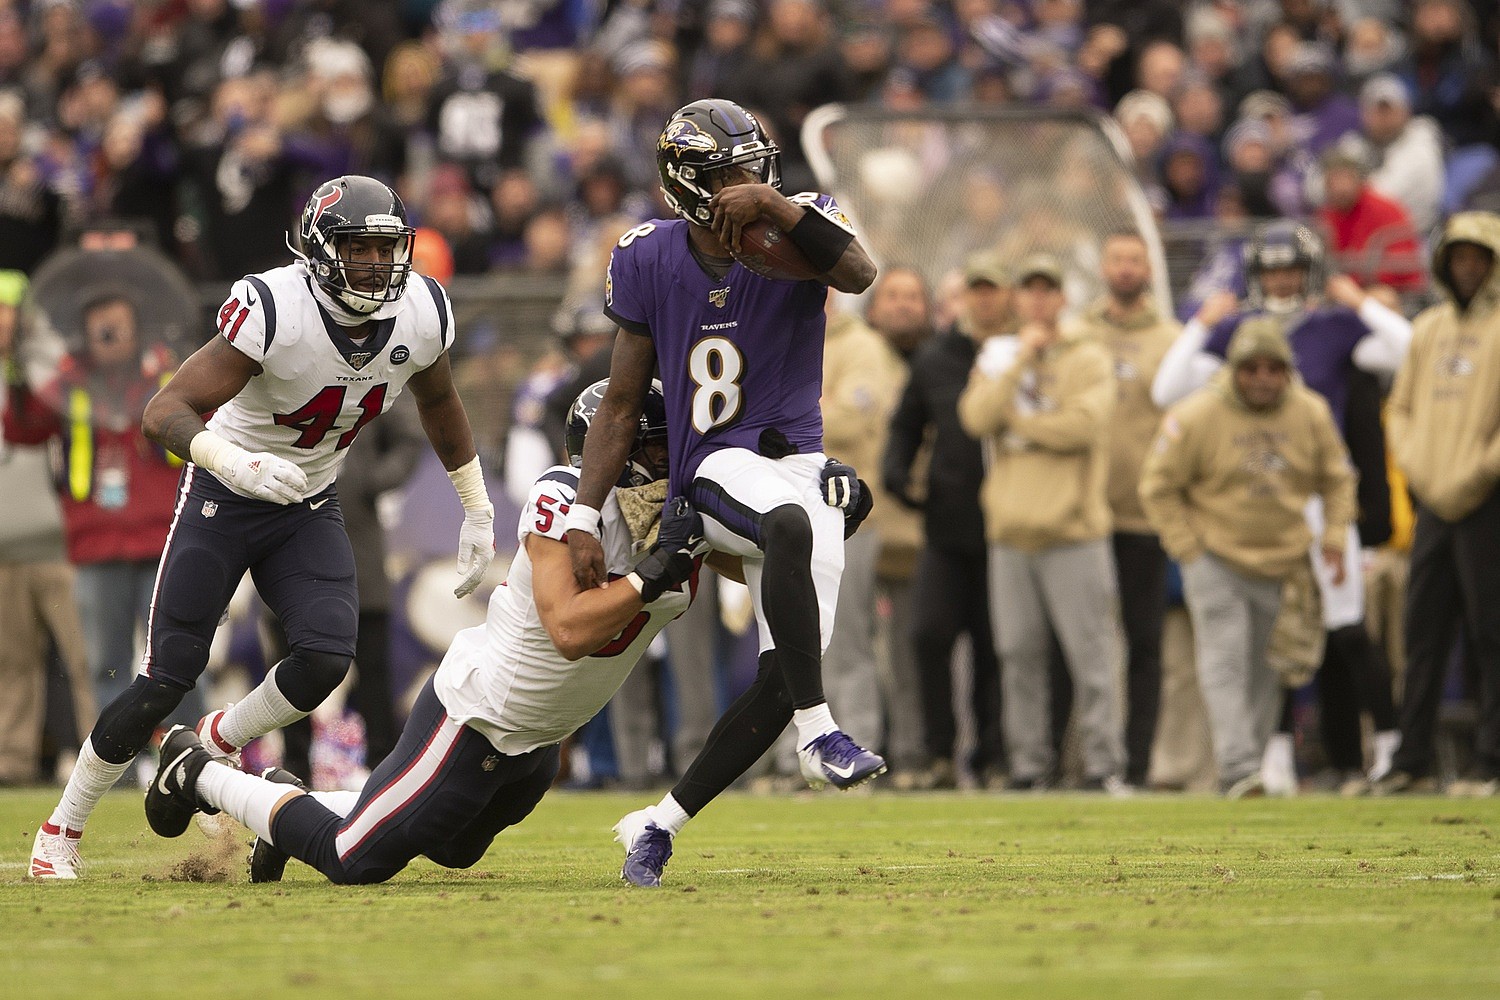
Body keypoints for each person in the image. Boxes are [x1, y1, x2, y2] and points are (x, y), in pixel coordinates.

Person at [30, 175, 495, 880]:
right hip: (225, 493)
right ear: (318, 252)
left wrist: (477, 503)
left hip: (307, 501)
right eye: (358, 250)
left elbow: (440, 403)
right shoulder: (276, 308)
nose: (377, 266)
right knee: (165, 677)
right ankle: (61, 827)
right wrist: (234, 462)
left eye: (386, 249)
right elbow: (165, 411)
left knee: (326, 658)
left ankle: (213, 739)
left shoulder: (421, 313)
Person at [143, 379, 731, 884]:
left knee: (452, 848)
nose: (667, 464)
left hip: (541, 738)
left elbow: (754, 552)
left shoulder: (674, 522)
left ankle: (292, 799)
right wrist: (649, 579)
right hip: (478, 715)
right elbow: (568, 630)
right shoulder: (564, 497)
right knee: (355, 857)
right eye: (654, 449)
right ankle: (197, 771)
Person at [567, 99, 880, 885]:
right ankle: (820, 732)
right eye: (729, 175)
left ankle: (658, 824)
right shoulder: (645, 253)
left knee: (781, 675)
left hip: (799, 461)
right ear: (687, 184)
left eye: (755, 170)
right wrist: (580, 510)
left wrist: (777, 205)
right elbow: (620, 401)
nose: (747, 186)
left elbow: (860, 273)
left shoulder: (803, 224)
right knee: (786, 528)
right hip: (709, 463)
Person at [1153, 220, 1408, 790]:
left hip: (1319, 498)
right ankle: (1270, 760)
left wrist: (1362, 302)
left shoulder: (1332, 327)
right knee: (1272, 638)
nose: (1282, 280)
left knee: (1345, 628)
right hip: (1260, 504)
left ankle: (1392, 747)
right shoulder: (1237, 334)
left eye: (1291, 268)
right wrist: (1201, 324)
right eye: (1271, 270)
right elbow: (1166, 389)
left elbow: (1409, 351)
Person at [1140, 318, 1357, 798]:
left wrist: (1336, 536)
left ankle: (1248, 767)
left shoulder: (1311, 413)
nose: (1262, 378)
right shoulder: (1196, 414)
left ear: (1287, 371)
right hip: (1216, 557)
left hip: (1283, 560)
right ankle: (1238, 767)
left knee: (1269, 669)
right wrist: (1187, 549)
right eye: (1251, 368)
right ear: (1234, 369)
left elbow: (1339, 478)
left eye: (1273, 368)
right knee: (1224, 661)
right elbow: (1157, 486)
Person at [3, 287, 202, 754]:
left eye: (116, 318)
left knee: (184, 659)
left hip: (164, 542)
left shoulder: (168, 376)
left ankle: (197, 764)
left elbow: (212, 420)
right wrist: (15, 372)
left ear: (135, 324)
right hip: (97, 548)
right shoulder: (72, 382)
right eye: (98, 321)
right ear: (85, 328)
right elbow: (23, 428)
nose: (108, 329)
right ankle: (114, 771)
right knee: (104, 668)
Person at [957, 254, 1125, 792]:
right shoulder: (1001, 354)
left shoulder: (1090, 355)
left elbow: (1086, 425)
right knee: (1017, 657)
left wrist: (1023, 425)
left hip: (1073, 532)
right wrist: (1018, 361)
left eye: (1046, 290)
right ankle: (1030, 766)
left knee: (1092, 659)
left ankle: (1102, 765)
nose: (1037, 300)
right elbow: (976, 419)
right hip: (1010, 533)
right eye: (1028, 290)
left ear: (1062, 297)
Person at [1377, 212, 1500, 797]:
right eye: (1459, 257)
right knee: (1420, 634)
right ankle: (1411, 758)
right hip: (1432, 501)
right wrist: (1420, 467)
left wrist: (1476, 472)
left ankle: (1490, 761)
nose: (1468, 267)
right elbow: (1398, 409)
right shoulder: (1426, 328)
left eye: (1478, 256)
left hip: (1487, 502)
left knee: (1491, 634)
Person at [883, 251, 1011, 788]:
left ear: (1006, 297)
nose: (982, 299)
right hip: (947, 524)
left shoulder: (1022, 353)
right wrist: (898, 477)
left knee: (994, 646)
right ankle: (940, 753)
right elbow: (906, 425)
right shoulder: (935, 357)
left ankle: (993, 755)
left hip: (1006, 529)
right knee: (928, 635)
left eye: (991, 289)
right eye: (973, 290)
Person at [1074, 231, 1180, 789]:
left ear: (1148, 268)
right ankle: (1081, 762)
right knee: (1082, 644)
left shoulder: (1172, 339)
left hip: (1143, 514)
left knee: (1145, 642)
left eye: (1135, 259)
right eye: (1116, 257)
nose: (1125, 268)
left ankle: (1136, 765)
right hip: (1083, 514)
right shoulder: (1079, 333)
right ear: (1104, 265)